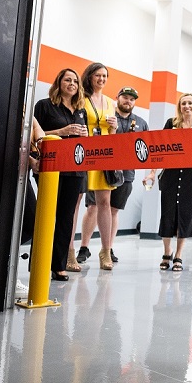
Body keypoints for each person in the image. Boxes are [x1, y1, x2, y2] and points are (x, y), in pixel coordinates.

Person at [76, 86, 149, 265]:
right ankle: (84, 247)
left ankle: (107, 248)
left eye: (132, 99)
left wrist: (151, 172)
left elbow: (145, 148)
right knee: (93, 207)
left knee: (114, 210)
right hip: (101, 169)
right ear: (118, 98)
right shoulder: (106, 115)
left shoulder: (141, 123)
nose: (128, 101)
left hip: (126, 174)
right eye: (125, 97)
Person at [33, 68, 89, 282]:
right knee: (47, 215)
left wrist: (85, 136)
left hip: (75, 170)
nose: (72, 83)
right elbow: (34, 135)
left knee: (66, 218)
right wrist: (61, 132)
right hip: (51, 168)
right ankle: (39, 263)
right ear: (59, 83)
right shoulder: (44, 106)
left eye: (75, 81)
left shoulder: (81, 110)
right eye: (67, 80)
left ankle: (59, 265)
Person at [143, 93, 192, 273]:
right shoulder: (171, 124)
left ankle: (178, 255)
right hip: (170, 174)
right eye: (183, 103)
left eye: (190, 103)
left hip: (191, 177)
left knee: (185, 214)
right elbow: (159, 149)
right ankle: (166, 252)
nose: (187, 106)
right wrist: (152, 172)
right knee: (168, 213)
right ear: (179, 107)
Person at [80, 62, 120, 271]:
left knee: (105, 202)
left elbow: (112, 133)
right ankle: (70, 251)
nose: (101, 79)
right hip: (84, 153)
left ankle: (105, 250)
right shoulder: (81, 98)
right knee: (77, 202)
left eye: (104, 76)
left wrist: (114, 127)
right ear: (89, 76)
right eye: (98, 75)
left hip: (104, 154)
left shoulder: (110, 102)